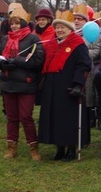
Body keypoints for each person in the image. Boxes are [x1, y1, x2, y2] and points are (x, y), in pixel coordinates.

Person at [0, 6, 46, 161]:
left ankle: (33, 148)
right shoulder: (6, 39)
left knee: (26, 117)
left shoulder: (33, 39)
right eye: (11, 23)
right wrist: (1, 65)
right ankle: (11, 147)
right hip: (8, 83)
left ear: (23, 23)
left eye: (17, 23)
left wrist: (17, 61)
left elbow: (38, 61)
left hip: (26, 84)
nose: (13, 26)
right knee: (12, 117)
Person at [37, 9, 91, 162]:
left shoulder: (78, 45)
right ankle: (59, 148)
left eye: (63, 27)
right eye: (57, 27)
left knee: (68, 119)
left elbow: (84, 65)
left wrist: (77, 84)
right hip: (52, 86)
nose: (59, 30)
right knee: (54, 117)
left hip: (68, 87)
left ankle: (71, 149)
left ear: (70, 29)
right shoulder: (51, 44)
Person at [73, 3, 101, 130]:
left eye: (80, 19)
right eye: (75, 19)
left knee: (87, 95)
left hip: (87, 69)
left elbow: (97, 50)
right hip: (72, 70)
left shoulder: (92, 32)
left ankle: (89, 119)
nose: (76, 21)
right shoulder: (71, 33)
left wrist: (82, 54)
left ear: (86, 21)